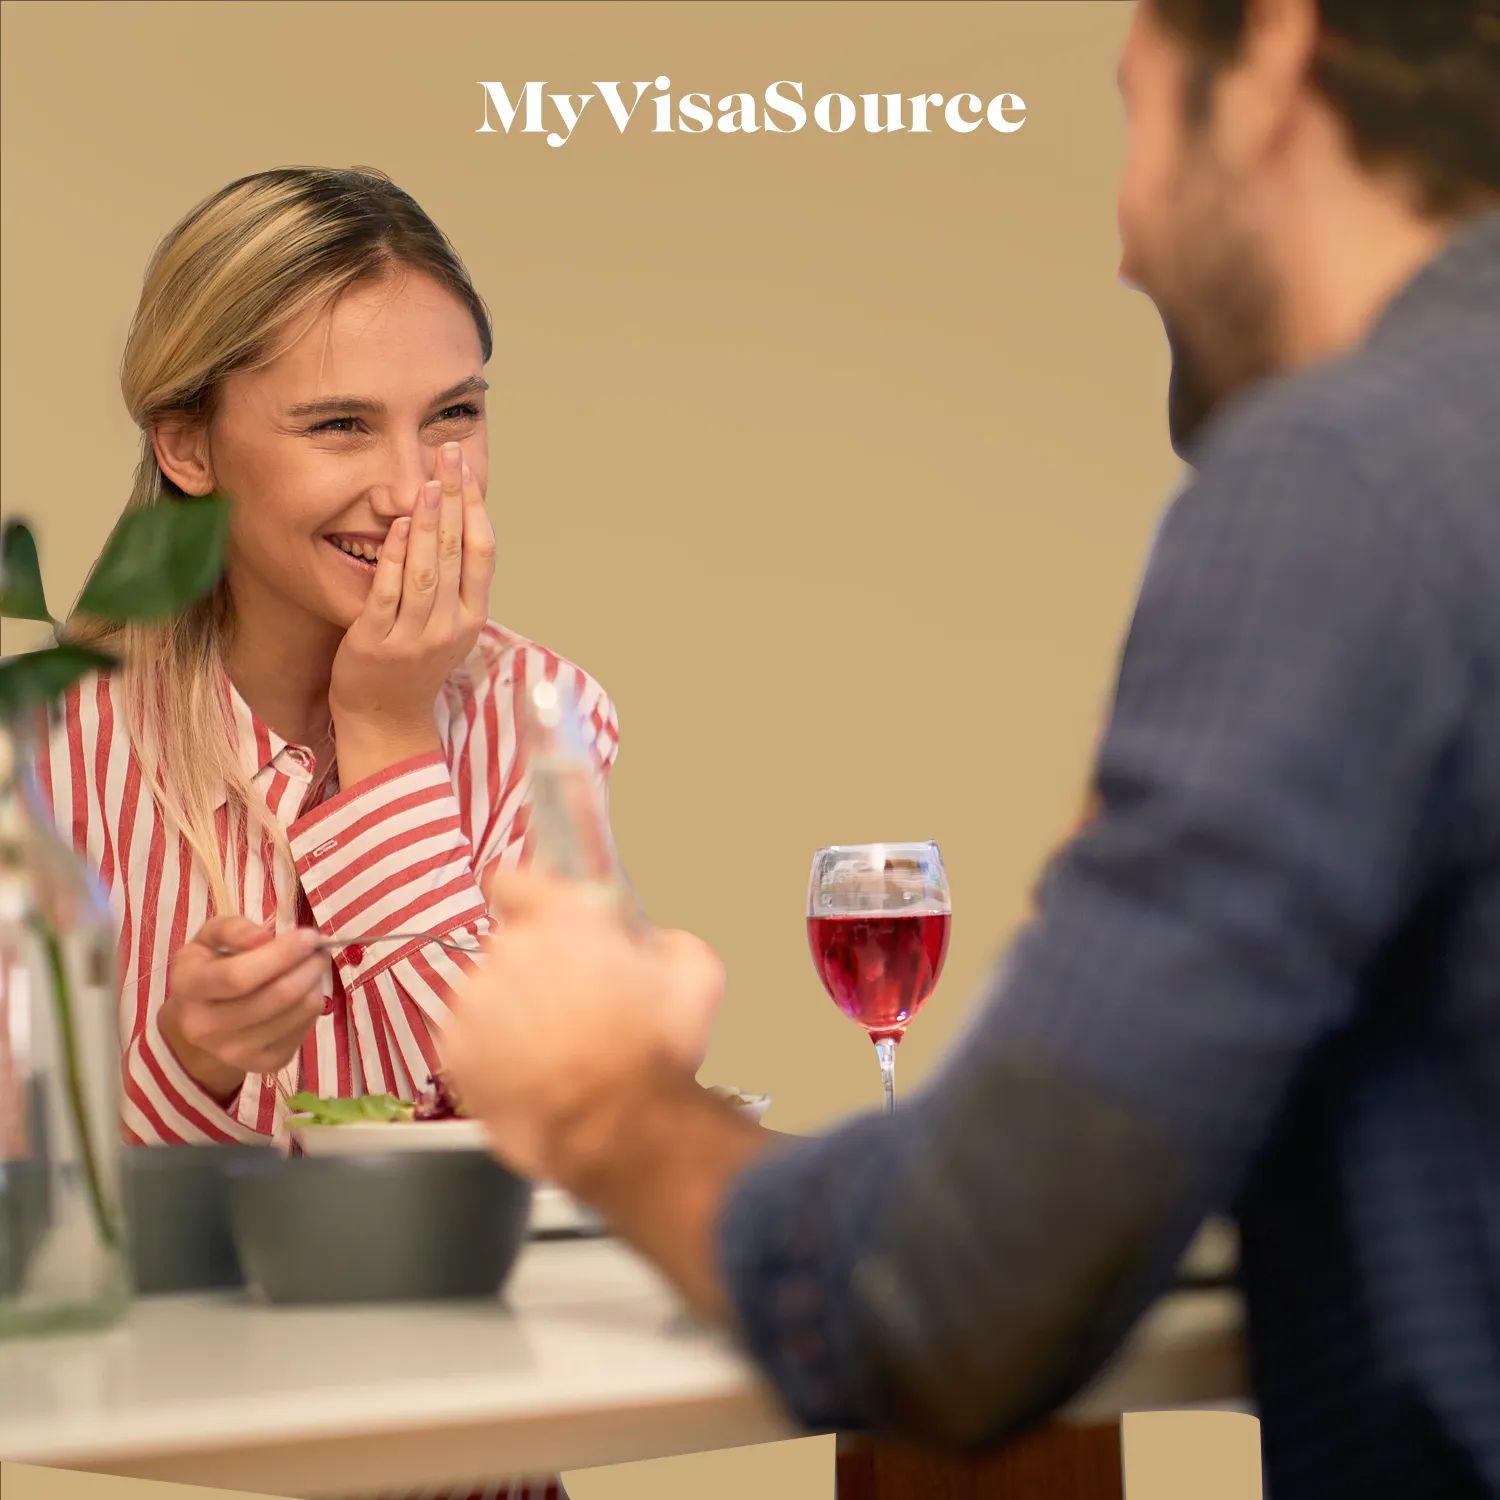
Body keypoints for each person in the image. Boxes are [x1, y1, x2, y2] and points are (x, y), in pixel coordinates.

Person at [440, 4, 1500, 1499]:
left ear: (1267, 59)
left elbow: (954, 1300)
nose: (1124, 246)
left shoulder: (1336, 488)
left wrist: (604, 1101)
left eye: (1135, 116)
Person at [38, 165, 612, 1500]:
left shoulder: (543, 715)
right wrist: (185, 1061)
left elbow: (555, 1126)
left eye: (452, 417)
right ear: (188, 443)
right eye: (341, 425)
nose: (413, 487)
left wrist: (394, 735)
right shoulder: (51, 755)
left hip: (478, 1475)